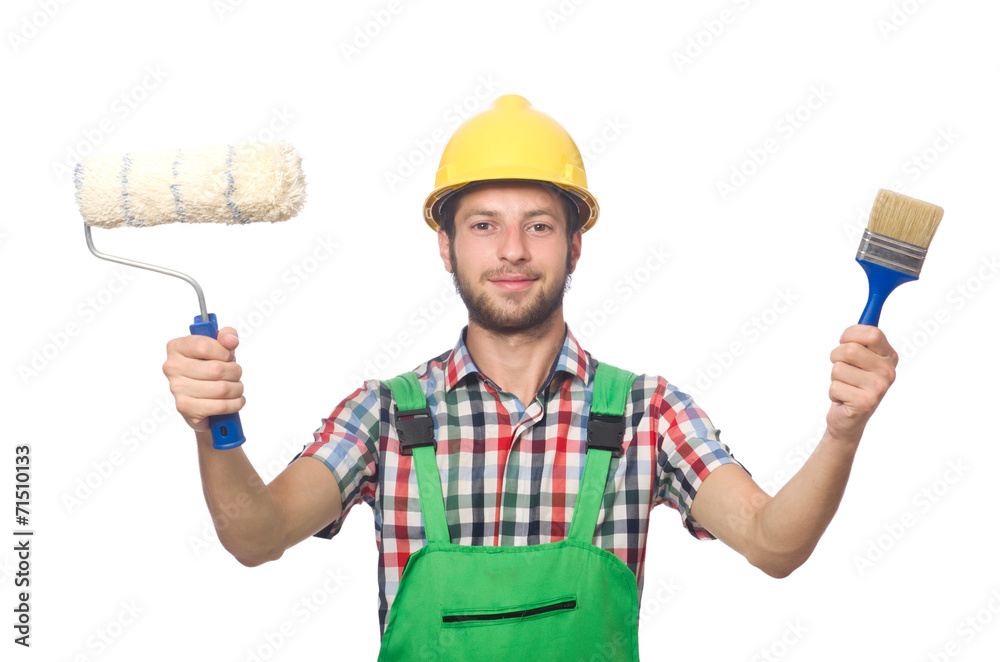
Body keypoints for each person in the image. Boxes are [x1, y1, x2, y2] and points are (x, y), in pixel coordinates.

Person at [162, 95, 898, 659]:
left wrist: (843, 431)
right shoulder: (384, 416)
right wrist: (211, 431)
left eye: (539, 225)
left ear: (576, 245)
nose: (512, 250)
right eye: (483, 224)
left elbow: (775, 544)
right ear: (446, 248)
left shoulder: (648, 414)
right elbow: (255, 537)